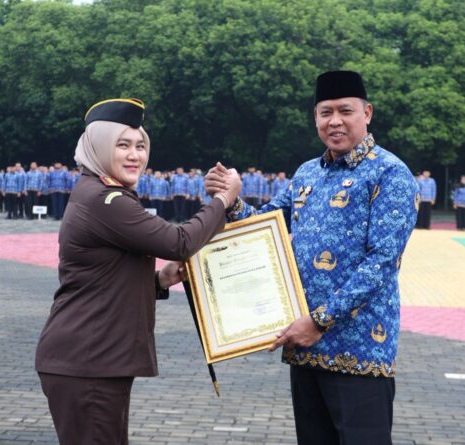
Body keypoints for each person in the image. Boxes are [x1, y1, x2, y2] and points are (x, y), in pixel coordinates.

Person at [207, 71, 418, 444]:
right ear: (315, 117)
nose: (335, 121)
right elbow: (266, 226)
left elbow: (382, 263)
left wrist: (320, 321)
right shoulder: (308, 173)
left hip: (361, 350)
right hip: (305, 347)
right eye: (325, 112)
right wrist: (231, 199)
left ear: (367, 113)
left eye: (345, 111)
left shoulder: (390, 174)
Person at [35, 98, 241, 445]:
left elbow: (104, 277)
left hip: (92, 359)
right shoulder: (106, 200)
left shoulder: (98, 192)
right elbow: (179, 242)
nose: (135, 155)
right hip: (89, 362)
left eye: (140, 146)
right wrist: (223, 201)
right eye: (123, 145)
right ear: (100, 148)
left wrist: (160, 280)